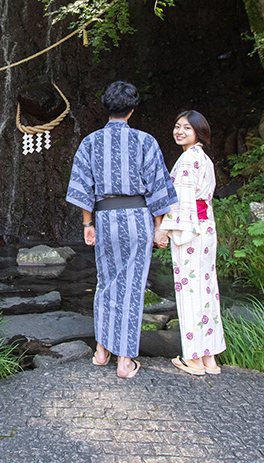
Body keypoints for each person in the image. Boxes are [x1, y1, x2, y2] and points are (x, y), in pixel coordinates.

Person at [66, 81, 177, 379]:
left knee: (105, 283)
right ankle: (125, 361)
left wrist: (88, 224)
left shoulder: (90, 142)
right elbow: (158, 188)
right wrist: (159, 228)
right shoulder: (145, 141)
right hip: (137, 219)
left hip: (104, 220)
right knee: (131, 287)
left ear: (107, 107)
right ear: (131, 110)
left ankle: (101, 352)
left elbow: (81, 187)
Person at [156, 110, 226, 376]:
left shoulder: (187, 160)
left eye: (186, 127)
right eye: (177, 126)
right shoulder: (203, 158)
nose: (179, 131)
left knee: (190, 292)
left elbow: (181, 202)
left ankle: (194, 359)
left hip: (191, 231)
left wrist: (163, 230)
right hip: (206, 229)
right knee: (207, 290)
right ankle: (210, 357)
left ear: (199, 131)